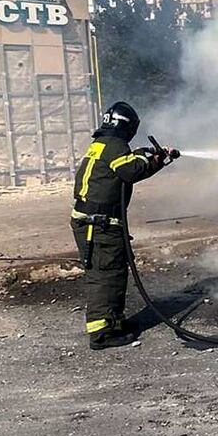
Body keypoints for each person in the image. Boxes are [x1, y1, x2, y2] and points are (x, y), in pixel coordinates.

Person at [70, 101, 179, 350]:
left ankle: (114, 322)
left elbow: (129, 169)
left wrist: (159, 160)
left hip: (99, 223)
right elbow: (131, 170)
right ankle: (101, 334)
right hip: (97, 225)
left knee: (115, 272)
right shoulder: (115, 146)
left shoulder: (103, 144)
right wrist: (145, 155)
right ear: (127, 127)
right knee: (104, 275)